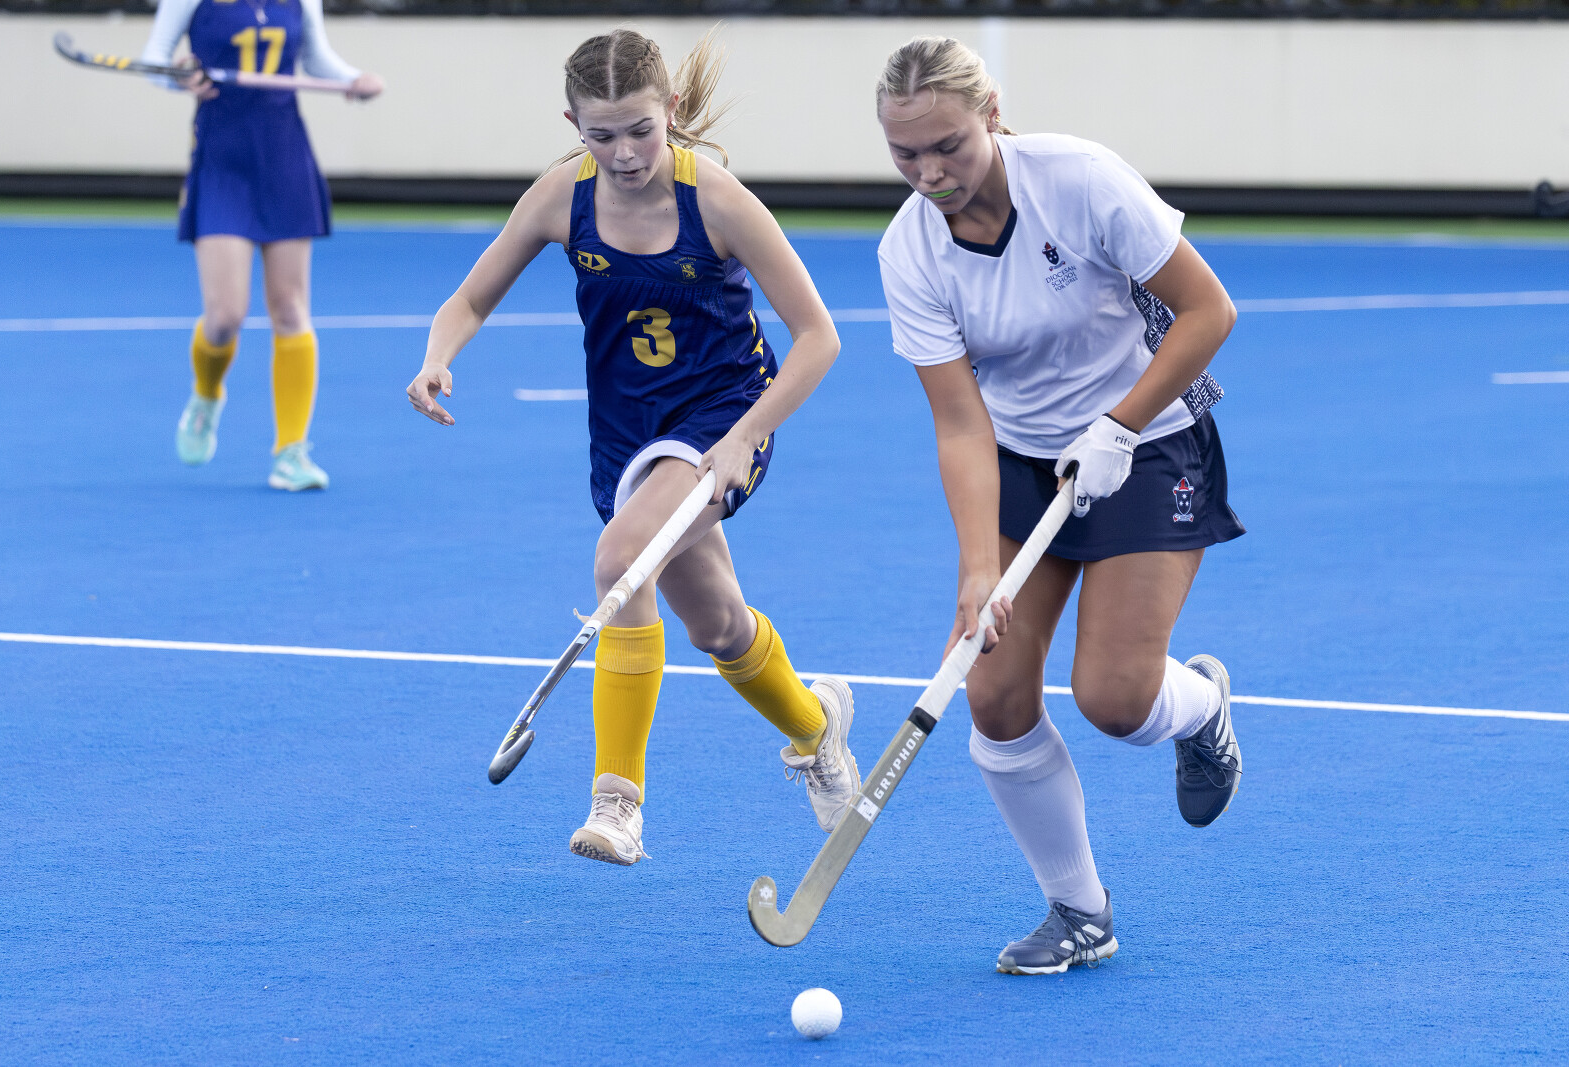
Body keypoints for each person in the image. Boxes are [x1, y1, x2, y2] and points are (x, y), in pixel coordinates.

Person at [406, 29, 861, 866]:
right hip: (625, 437)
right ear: (572, 125)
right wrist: (439, 356)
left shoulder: (716, 201)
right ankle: (816, 726)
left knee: (621, 562)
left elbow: (819, 337)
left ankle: (618, 802)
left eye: (641, 131)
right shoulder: (562, 196)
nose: (623, 154)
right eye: (601, 134)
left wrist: (746, 434)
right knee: (718, 624)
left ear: (671, 112)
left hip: (722, 420)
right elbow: (468, 300)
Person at [874, 36, 1246, 974]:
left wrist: (1119, 425)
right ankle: (1080, 910)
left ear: (992, 115)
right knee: (993, 692)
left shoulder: (1079, 181)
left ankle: (1200, 707)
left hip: (1150, 443)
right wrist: (978, 571)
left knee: (1114, 700)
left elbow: (1209, 311)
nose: (930, 174)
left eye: (948, 146)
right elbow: (960, 423)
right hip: (1020, 461)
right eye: (905, 154)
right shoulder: (909, 251)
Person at [142, 0, 383, 490]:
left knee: (291, 308)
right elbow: (154, 60)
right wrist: (179, 77)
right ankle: (207, 392)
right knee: (225, 316)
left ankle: (291, 452)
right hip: (222, 159)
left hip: (284, 156)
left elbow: (316, 58)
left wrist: (352, 79)